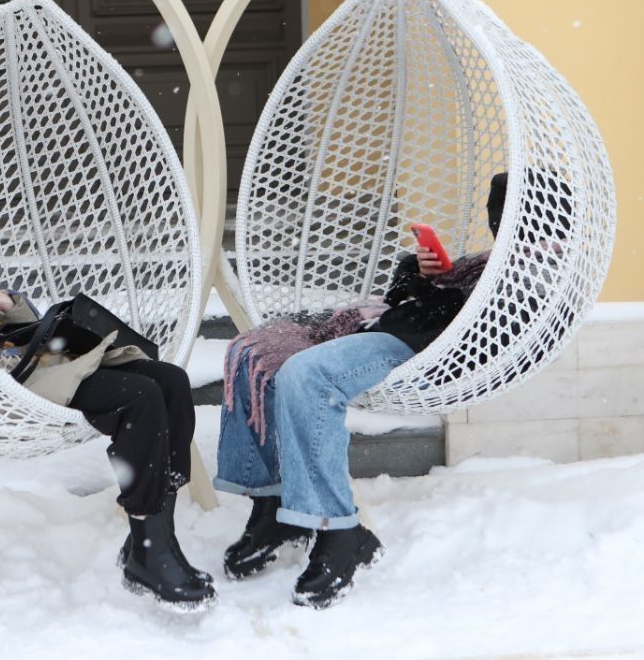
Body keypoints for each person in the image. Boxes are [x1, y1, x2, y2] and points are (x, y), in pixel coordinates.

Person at [213, 174, 510, 610]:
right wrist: (426, 273)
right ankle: (275, 506)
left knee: (306, 374)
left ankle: (341, 534)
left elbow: (468, 321)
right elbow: (416, 300)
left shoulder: (531, 270)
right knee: (252, 352)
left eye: (502, 211)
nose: (497, 220)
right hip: (393, 327)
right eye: (496, 211)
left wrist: (433, 288)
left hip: (421, 350)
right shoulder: (486, 261)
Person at [0, 215, 216, 612]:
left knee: (169, 380)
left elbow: (27, 330)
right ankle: (150, 552)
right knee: (140, 396)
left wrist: (5, 304)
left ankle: (155, 539)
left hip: (42, 362)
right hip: (4, 390)